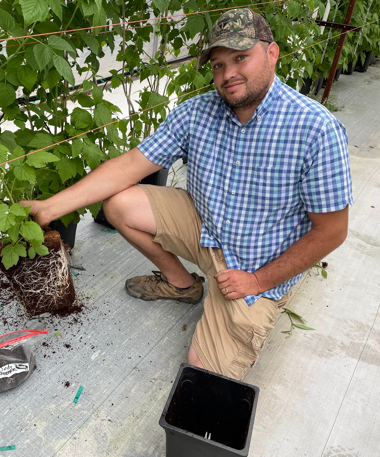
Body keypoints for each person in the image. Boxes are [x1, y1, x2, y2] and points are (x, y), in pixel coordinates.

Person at [20, 8, 353, 380]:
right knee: (119, 204)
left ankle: (254, 302)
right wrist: (50, 207)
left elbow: (332, 232)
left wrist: (258, 281)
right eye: (217, 64)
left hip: (255, 263)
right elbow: (131, 164)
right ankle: (183, 285)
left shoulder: (316, 129)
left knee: (203, 371)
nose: (227, 74)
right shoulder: (197, 112)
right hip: (206, 225)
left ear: (272, 53)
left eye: (240, 57)